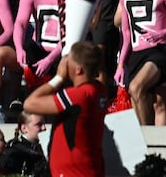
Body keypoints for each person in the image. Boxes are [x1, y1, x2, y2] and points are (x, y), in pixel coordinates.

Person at [21, 41, 107, 177]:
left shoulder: (78, 95)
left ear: (78, 69)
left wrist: (59, 77)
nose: (65, 63)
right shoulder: (99, 90)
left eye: (68, 60)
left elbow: (29, 104)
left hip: (74, 173)